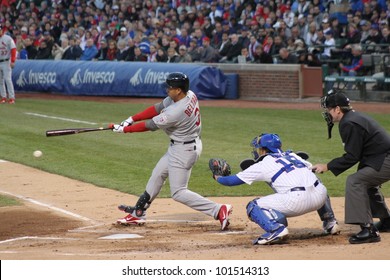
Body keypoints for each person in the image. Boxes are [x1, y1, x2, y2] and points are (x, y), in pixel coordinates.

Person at [110, 72, 232, 230]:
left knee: (179, 192)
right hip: (182, 146)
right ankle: (138, 213)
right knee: (158, 174)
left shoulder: (176, 111)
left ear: (179, 90)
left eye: (171, 87)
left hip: (184, 150)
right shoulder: (189, 95)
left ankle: (218, 209)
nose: (167, 89)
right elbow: (158, 107)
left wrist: (124, 130)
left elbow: (151, 125)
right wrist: (132, 118)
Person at [212, 133, 340, 245]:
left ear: (264, 150)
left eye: (259, 148)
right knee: (316, 183)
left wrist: (217, 176)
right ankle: (330, 222)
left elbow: (230, 181)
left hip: (296, 202)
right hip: (320, 198)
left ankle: (276, 230)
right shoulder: (293, 155)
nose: (257, 151)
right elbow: (309, 169)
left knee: (253, 206)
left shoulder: (264, 164)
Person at [312, 90, 390, 244]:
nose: (327, 113)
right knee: (366, 182)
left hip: (385, 158)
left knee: (355, 181)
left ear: (337, 109)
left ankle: (369, 230)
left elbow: (353, 156)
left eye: (328, 109)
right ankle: (387, 221)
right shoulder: (353, 117)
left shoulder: (348, 122)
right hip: (380, 157)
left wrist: (327, 166)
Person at [0, 23, 17, 104]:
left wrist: (13, 61)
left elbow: (13, 49)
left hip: (6, 61)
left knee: (7, 79)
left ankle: (11, 97)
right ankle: (3, 97)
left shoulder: (7, 38)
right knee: (0, 80)